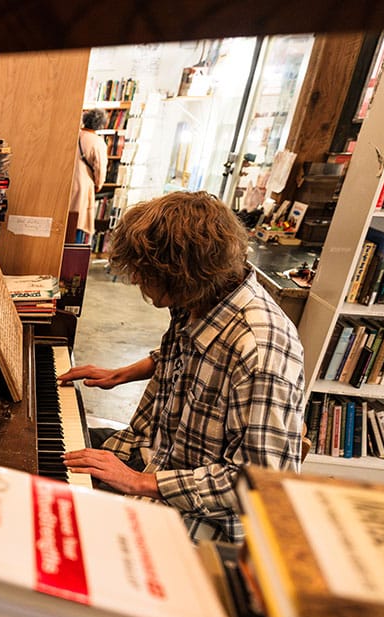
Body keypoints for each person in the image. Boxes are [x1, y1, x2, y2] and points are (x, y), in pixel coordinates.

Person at [58, 191, 305, 543]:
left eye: (144, 273)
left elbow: (261, 484)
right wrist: (125, 372)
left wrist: (138, 481)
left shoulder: (259, 350)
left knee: (60, 533)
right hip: (156, 452)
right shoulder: (199, 299)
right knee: (51, 455)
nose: (136, 281)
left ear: (182, 273)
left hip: (199, 522)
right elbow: (186, 355)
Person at [68, 109, 108, 244]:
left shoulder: (73, 134)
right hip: (83, 185)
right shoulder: (97, 142)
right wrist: (98, 184)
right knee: (78, 223)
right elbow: (100, 168)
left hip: (66, 181)